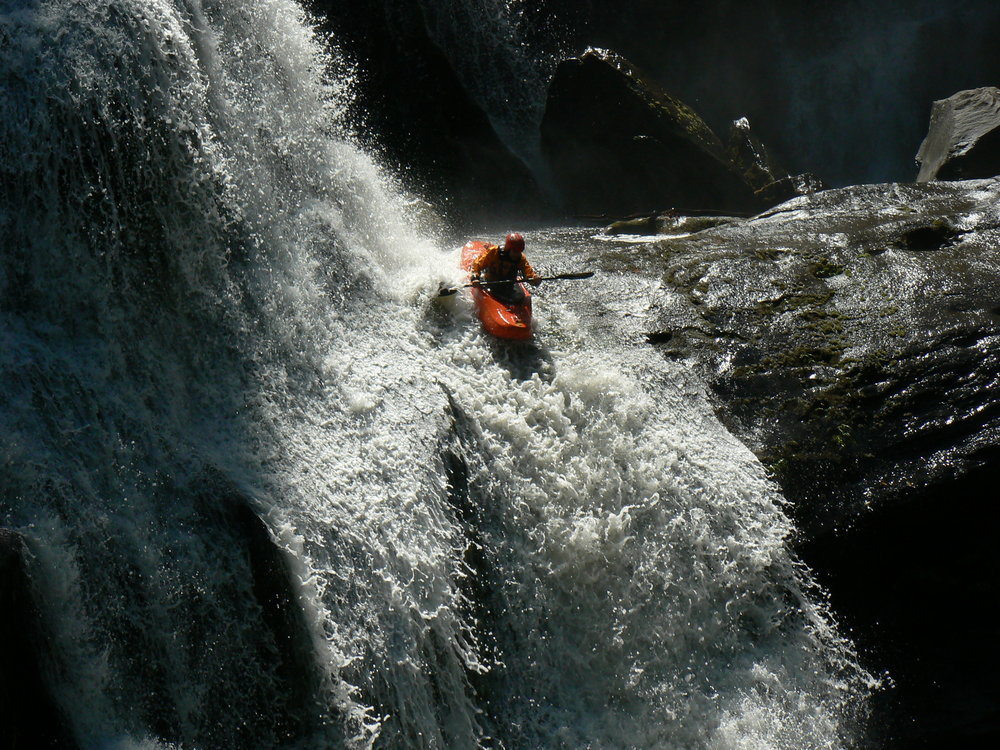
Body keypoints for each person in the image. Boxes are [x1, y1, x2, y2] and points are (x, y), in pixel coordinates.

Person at [470, 232, 540, 303]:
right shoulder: (494, 252)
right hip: (490, 283)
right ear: (508, 249)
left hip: (509, 286)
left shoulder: (521, 258)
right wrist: (475, 278)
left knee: (519, 296)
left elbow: (528, 272)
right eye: (515, 251)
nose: (517, 254)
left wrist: (534, 278)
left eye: (519, 251)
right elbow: (477, 264)